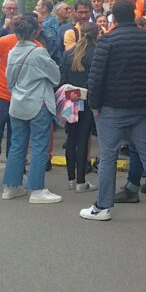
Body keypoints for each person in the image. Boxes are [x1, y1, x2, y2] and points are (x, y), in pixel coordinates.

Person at [82, 0, 146, 221]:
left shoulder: (107, 41)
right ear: (133, 15)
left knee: (108, 155)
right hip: (142, 106)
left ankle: (102, 207)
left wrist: (94, 105)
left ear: (114, 17)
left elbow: (96, 78)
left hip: (112, 107)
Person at [1, 14, 63, 204]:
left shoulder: (12, 52)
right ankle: (36, 189)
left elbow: (9, 80)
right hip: (38, 102)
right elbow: (55, 76)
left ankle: (11, 186)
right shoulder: (39, 52)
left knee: (17, 145)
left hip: (17, 103)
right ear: (36, 31)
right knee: (39, 146)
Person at [0, 23, 44, 195]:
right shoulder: (3, 42)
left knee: (18, 139)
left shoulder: (38, 46)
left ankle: (15, 175)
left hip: (20, 97)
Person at [60, 22, 98, 192]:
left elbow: (61, 78)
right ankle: (81, 181)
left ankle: (70, 179)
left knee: (71, 138)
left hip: (70, 99)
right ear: (97, 34)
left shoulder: (69, 53)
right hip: (87, 99)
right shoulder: (95, 53)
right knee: (83, 138)